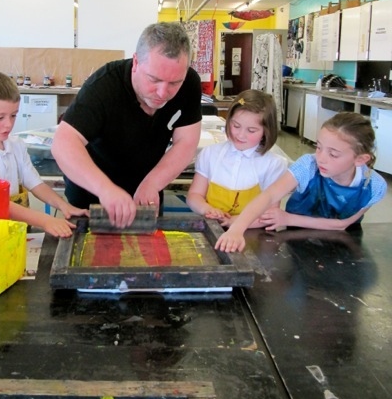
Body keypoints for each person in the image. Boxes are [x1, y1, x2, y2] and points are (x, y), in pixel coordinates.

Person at [51, 22, 202, 228]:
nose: (162, 92)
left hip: (146, 193)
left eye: (174, 83)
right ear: (136, 62)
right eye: (154, 79)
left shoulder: (190, 84)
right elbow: (63, 143)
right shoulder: (104, 87)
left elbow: (186, 142)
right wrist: (105, 189)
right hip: (92, 194)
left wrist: (153, 183)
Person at [216, 111, 387, 253]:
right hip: (294, 238)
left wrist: (288, 218)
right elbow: (269, 196)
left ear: (361, 159)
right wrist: (237, 229)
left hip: (341, 244)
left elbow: (342, 225)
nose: (321, 158)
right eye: (318, 147)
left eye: (333, 154)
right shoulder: (308, 165)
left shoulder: (374, 187)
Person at [0, 70, 88, 237]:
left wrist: (64, 206)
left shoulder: (15, 145)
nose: (9, 124)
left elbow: (34, 183)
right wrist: (45, 221)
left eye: (13, 115)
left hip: (10, 231)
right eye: (0, 118)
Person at [186, 90, 288, 224]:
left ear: (266, 131)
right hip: (211, 227)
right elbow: (194, 196)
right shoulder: (210, 154)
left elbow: (269, 215)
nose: (240, 135)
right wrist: (207, 209)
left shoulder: (273, 164)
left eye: (251, 130)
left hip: (252, 234)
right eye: (236, 126)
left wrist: (234, 222)